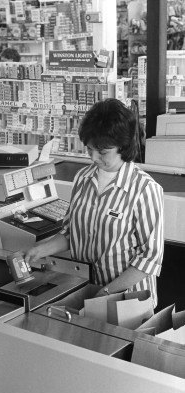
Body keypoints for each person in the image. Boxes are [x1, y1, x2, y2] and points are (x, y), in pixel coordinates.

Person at [24, 98, 164, 307]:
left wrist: (107, 292)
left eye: (103, 152)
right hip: (84, 290)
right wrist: (39, 250)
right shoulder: (82, 178)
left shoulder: (145, 190)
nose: (94, 158)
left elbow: (149, 259)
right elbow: (71, 234)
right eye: (90, 150)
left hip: (128, 301)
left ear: (123, 146)